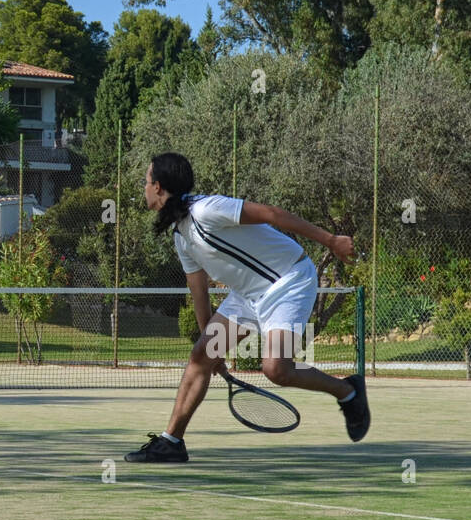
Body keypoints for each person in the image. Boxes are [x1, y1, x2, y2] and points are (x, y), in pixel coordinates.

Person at [124, 151, 369, 463]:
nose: (142, 188)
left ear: (158, 187)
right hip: (247, 294)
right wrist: (213, 349)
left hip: (288, 281)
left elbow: (271, 213)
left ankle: (347, 390)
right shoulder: (181, 236)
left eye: (145, 182)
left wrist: (331, 241)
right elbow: (198, 290)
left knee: (276, 369)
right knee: (200, 356)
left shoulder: (207, 209)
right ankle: (171, 442)